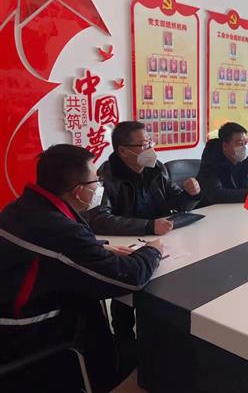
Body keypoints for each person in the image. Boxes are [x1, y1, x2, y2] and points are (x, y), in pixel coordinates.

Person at [0, 145, 164, 392]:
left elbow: (54, 249)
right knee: (112, 331)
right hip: (24, 334)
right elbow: (130, 278)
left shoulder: (25, 208)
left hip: (10, 309)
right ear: (78, 192)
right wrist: (152, 251)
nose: (99, 187)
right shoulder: (57, 228)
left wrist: (99, 248)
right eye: (95, 181)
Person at [88, 121, 201, 236]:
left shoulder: (156, 168)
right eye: (144, 145)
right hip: (129, 240)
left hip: (163, 235)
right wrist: (148, 226)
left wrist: (191, 194)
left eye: (150, 142)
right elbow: (100, 220)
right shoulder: (105, 176)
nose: (150, 149)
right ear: (123, 151)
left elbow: (178, 205)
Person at [196, 122, 248, 206]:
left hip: (236, 209)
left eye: (246, 143)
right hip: (212, 211)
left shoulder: (244, 161)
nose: (244, 147)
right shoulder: (210, 163)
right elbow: (217, 195)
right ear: (225, 146)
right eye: (239, 143)